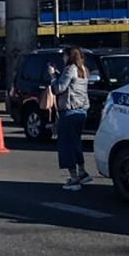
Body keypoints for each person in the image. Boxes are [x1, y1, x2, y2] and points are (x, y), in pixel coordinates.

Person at [48, 47, 92, 191]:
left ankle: (73, 178)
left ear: (69, 56)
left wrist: (53, 76)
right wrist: (59, 75)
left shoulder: (70, 69)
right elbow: (72, 84)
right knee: (76, 142)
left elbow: (59, 88)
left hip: (69, 110)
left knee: (66, 145)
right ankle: (82, 172)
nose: (63, 58)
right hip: (82, 110)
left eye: (64, 56)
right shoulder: (84, 69)